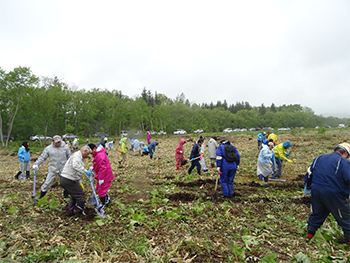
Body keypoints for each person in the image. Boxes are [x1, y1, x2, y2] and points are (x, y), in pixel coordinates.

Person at [306, 143, 350, 245]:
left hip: (316, 190)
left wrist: (309, 186)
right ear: (345, 153)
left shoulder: (319, 158)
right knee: (345, 216)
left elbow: (309, 173)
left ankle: (310, 234)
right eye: (347, 156)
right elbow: (348, 178)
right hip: (333, 193)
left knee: (318, 213)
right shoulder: (342, 162)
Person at [60, 145, 93, 216]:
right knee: (81, 196)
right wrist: (85, 171)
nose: (87, 156)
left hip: (68, 178)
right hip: (68, 179)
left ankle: (70, 211)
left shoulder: (79, 157)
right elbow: (75, 165)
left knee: (74, 195)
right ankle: (80, 212)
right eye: (87, 154)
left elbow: (77, 172)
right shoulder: (77, 156)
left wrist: (79, 182)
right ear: (85, 151)